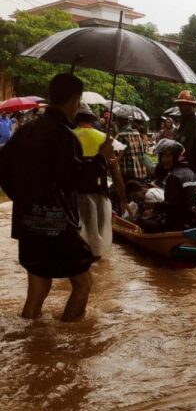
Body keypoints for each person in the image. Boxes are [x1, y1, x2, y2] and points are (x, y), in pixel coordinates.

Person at [0, 73, 113, 322]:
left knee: (38, 290)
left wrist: (24, 199)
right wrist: (101, 159)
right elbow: (72, 179)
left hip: (26, 222)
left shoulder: (26, 130)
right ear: (75, 99)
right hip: (56, 224)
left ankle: (34, 346)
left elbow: (3, 169)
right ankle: (70, 348)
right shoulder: (64, 136)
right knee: (83, 283)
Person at [73, 103, 128, 259]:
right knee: (97, 236)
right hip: (99, 194)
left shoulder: (68, 136)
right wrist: (123, 199)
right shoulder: (104, 139)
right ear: (92, 119)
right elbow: (116, 173)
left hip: (74, 195)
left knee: (76, 236)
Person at [138, 139, 196, 233]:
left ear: (176, 157)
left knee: (141, 221)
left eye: (168, 156)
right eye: (162, 157)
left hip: (177, 224)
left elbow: (173, 208)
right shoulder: (190, 172)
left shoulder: (174, 177)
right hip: (191, 221)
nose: (164, 160)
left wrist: (154, 206)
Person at [115, 113, 149, 181]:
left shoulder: (120, 135)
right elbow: (145, 149)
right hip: (140, 171)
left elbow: (116, 154)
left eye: (117, 122)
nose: (117, 124)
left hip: (127, 172)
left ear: (121, 122)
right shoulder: (137, 134)